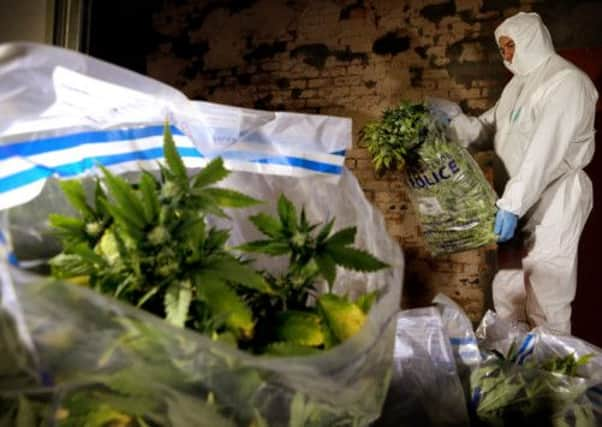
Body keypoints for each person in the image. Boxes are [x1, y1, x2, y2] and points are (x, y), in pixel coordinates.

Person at [430, 12, 598, 335]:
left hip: (556, 195)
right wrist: (452, 122)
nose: (506, 55)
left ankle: (550, 377)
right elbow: (486, 128)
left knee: (547, 295)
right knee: (508, 292)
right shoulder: (515, 89)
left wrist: (512, 203)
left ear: (532, 41)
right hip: (519, 200)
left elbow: (545, 150)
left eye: (511, 46)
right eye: (503, 48)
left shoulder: (567, 82)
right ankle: (514, 372)